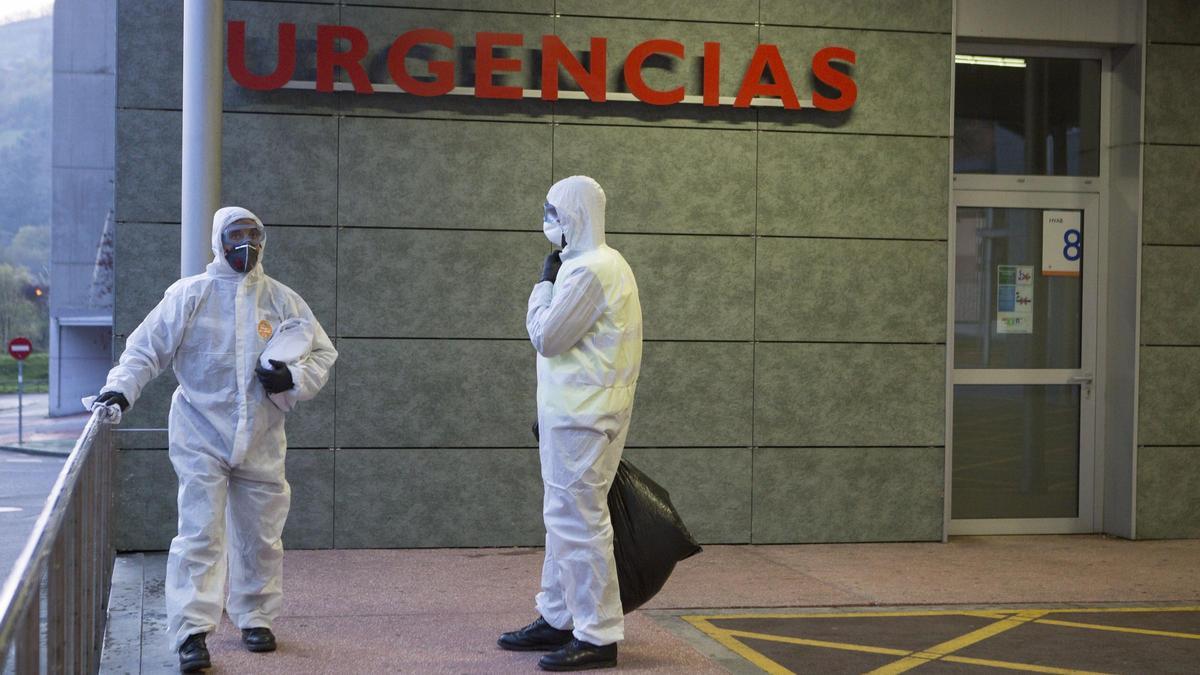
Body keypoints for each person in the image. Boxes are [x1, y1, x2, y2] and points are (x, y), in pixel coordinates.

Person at [91, 206, 337, 673]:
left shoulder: (282, 300)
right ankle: (192, 632)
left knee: (262, 535)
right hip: (200, 433)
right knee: (201, 533)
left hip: (262, 438)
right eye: (237, 235)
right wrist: (120, 390)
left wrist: (293, 378)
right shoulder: (191, 294)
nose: (247, 244)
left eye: (254, 234)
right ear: (218, 241)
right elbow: (146, 348)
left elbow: (322, 351)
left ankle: (256, 617)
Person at [499, 176, 643, 671]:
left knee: (577, 522)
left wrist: (543, 284)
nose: (549, 223)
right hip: (583, 411)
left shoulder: (587, 272)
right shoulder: (608, 264)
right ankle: (558, 615)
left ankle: (597, 633)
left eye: (554, 213)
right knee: (565, 517)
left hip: (581, 416)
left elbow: (548, 336)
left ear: (575, 215)